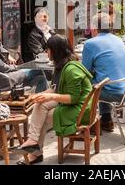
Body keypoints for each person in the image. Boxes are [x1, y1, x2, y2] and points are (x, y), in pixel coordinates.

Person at [16, 35, 92, 165]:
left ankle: (35, 151)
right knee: (40, 105)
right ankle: (33, 143)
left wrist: (50, 96)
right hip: (74, 104)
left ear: (55, 51)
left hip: (81, 109)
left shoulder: (71, 70)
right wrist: (38, 96)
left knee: (43, 117)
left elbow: (73, 98)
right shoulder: (62, 65)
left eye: (48, 50)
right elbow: (54, 89)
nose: (46, 53)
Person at [82, 13, 125, 132]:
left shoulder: (90, 43)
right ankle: (106, 120)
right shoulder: (118, 39)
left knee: (84, 83)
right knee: (101, 78)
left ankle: (86, 123)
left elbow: (84, 70)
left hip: (117, 93)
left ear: (94, 28)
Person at [0, 17, 47, 93]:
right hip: (4, 79)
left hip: (10, 74)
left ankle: (39, 101)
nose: (1, 30)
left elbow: (3, 51)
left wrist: (9, 56)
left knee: (41, 79)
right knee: (37, 70)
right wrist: (18, 67)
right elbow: (3, 68)